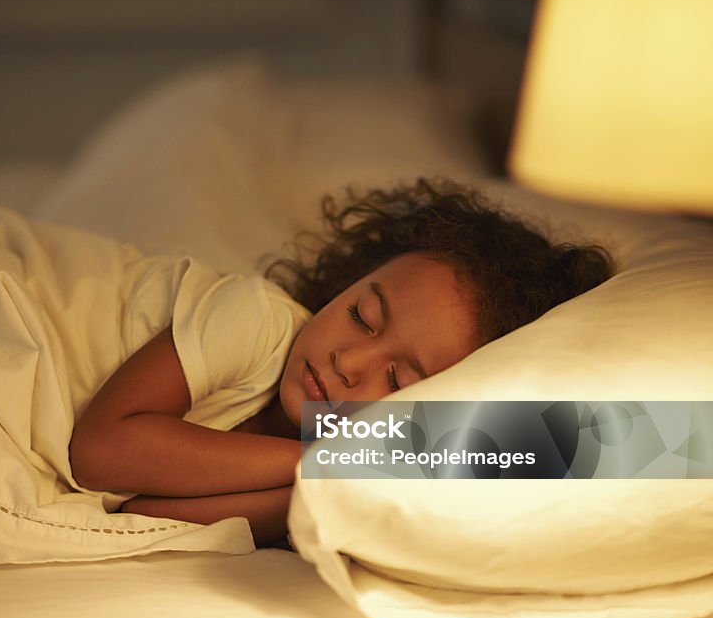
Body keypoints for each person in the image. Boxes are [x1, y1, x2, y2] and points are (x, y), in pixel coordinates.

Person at [69, 178, 614, 546]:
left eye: (398, 378)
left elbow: (139, 517)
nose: (349, 361)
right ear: (344, 284)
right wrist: (323, 460)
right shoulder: (258, 321)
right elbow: (100, 452)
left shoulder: (329, 452)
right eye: (361, 314)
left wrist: (318, 479)